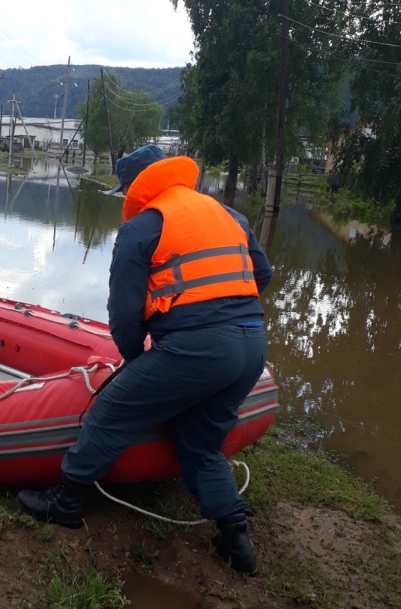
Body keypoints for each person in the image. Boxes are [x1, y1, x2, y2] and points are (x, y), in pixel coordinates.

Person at [16, 144, 273, 577]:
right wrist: (227, 313)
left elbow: (124, 314)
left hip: (197, 349)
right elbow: (261, 274)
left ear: (136, 187)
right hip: (251, 346)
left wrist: (138, 363)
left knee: (111, 409)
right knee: (201, 442)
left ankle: (66, 502)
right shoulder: (229, 215)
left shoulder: (143, 227)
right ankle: (236, 540)